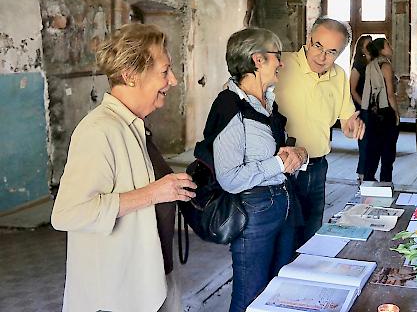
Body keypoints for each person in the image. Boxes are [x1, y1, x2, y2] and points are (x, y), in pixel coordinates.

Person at [51, 24, 197, 312]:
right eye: (165, 71)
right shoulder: (99, 131)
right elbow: (67, 213)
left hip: (149, 283)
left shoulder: (133, 126)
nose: (174, 80)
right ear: (131, 76)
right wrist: (153, 194)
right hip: (116, 297)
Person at [194, 28, 307, 312]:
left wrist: (299, 155)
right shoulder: (230, 106)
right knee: (250, 298)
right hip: (253, 212)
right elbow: (230, 177)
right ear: (257, 60)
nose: (281, 63)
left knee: (280, 292)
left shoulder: (267, 103)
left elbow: (281, 155)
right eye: (276, 56)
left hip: (284, 204)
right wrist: (280, 163)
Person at [275, 16, 365, 248]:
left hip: (315, 166)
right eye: (318, 46)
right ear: (308, 39)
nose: (322, 56)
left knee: (311, 232)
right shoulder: (280, 64)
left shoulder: (339, 76)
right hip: (277, 166)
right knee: (281, 236)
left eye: (332, 51)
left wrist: (351, 125)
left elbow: (346, 117)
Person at [360, 37, 400, 182]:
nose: (391, 47)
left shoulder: (371, 65)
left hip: (372, 112)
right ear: (382, 50)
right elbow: (390, 93)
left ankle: (369, 181)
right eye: (388, 45)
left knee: (373, 150)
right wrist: (396, 113)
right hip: (386, 112)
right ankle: (385, 183)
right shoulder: (386, 66)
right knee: (388, 153)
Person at [350, 35, 372, 184]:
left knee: (373, 141)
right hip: (362, 108)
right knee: (364, 141)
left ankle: (369, 172)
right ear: (361, 48)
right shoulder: (359, 64)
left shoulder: (374, 64)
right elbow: (353, 89)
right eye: (368, 44)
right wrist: (363, 106)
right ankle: (362, 174)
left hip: (373, 107)